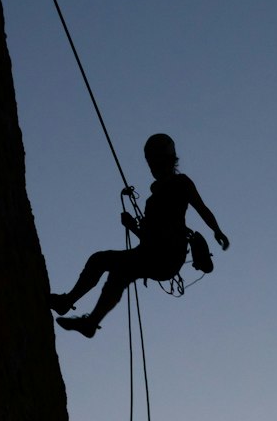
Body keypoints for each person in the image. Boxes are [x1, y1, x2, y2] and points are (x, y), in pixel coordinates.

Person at [50, 133, 229, 336]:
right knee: (110, 267)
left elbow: (201, 208)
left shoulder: (181, 183)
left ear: (166, 161)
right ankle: (83, 316)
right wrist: (132, 227)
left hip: (166, 256)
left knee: (108, 264)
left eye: (155, 161)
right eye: (151, 162)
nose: (152, 167)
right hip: (156, 255)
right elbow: (150, 237)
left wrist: (217, 230)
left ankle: (74, 308)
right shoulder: (154, 196)